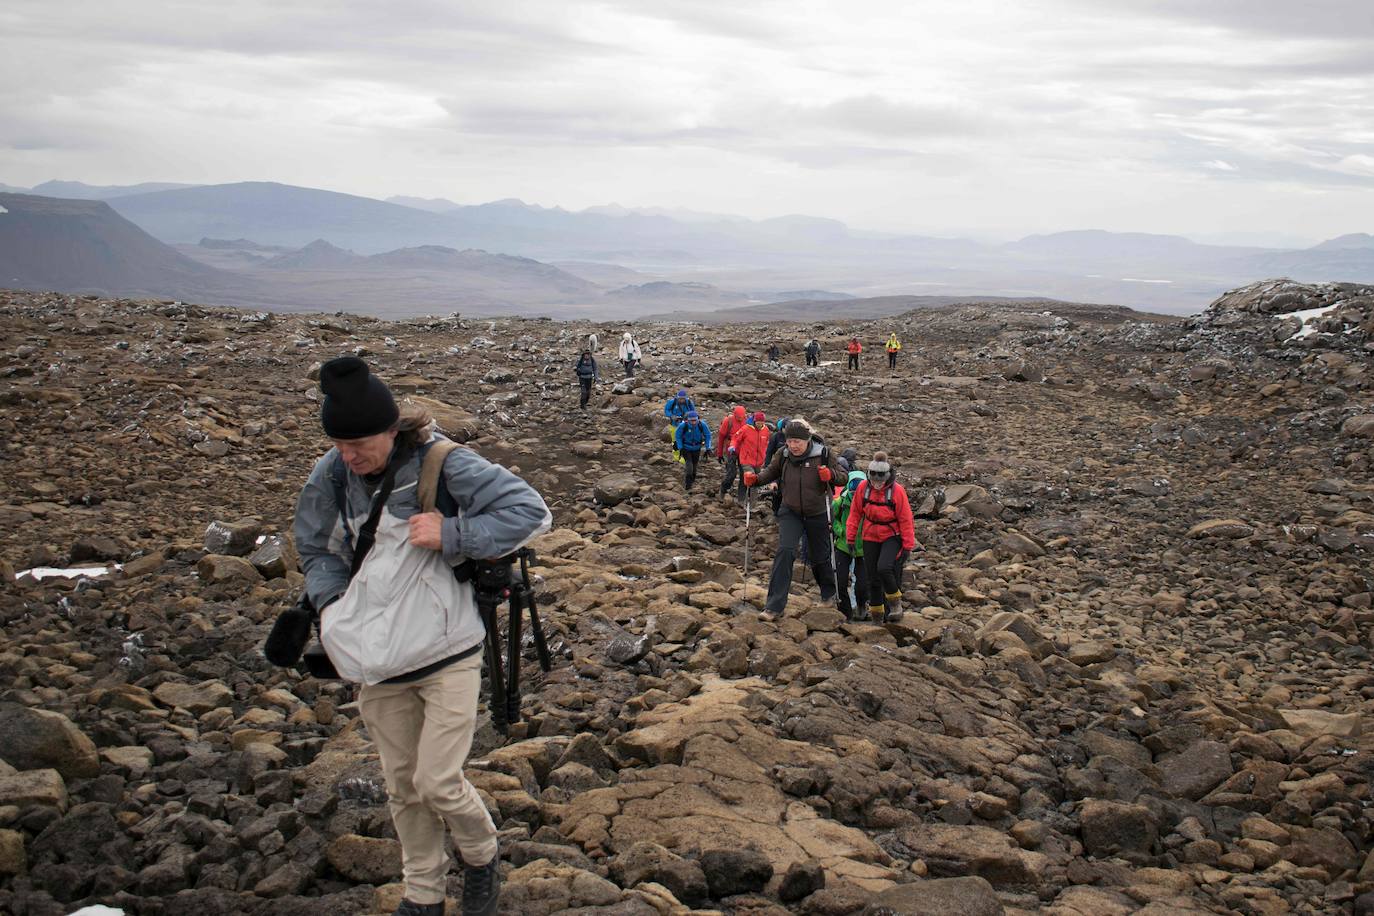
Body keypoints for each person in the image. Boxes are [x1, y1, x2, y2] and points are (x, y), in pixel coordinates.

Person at [295, 357, 552, 916]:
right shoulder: (333, 473)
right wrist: (334, 607)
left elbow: (531, 511)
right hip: (377, 660)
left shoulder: (443, 464)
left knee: (436, 781)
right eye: (338, 443)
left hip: (447, 651)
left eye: (358, 443)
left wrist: (454, 532)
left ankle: (482, 854)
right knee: (402, 787)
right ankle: (423, 895)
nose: (348, 455)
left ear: (392, 429)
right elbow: (315, 548)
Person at [744, 418, 842, 619]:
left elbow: (843, 476)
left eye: (798, 441)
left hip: (818, 512)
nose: (793, 445)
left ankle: (829, 594)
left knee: (820, 557)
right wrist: (755, 480)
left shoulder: (823, 453)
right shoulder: (784, 454)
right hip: (791, 511)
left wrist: (830, 475)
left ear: (807, 440)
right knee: (785, 551)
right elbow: (771, 472)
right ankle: (773, 607)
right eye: (790, 441)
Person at [845, 451, 916, 623]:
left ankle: (895, 602)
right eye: (874, 478)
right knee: (872, 579)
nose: (877, 483)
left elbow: (906, 519)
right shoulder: (863, 488)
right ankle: (877, 617)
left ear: (887, 476)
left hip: (891, 535)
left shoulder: (897, 491)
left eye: (880, 478)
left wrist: (907, 546)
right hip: (870, 535)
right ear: (869, 475)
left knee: (884, 567)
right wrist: (851, 538)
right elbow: (855, 514)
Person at [831, 469, 869, 620]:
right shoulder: (840, 503)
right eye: (853, 485)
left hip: (864, 548)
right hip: (843, 546)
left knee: (862, 585)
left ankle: (860, 605)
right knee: (840, 582)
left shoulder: (870, 503)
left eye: (860, 485)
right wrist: (843, 532)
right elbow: (833, 522)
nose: (856, 489)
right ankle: (846, 613)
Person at [729, 411, 769, 504]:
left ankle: (752, 504)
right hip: (746, 460)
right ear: (754, 421)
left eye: (762, 423)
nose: (760, 425)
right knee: (749, 478)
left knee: (756, 482)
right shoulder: (746, 429)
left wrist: (765, 455)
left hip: (758, 461)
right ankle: (742, 501)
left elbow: (766, 443)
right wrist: (732, 446)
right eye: (758, 423)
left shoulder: (766, 430)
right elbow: (735, 438)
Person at [674, 410, 712, 491]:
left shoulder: (702, 425)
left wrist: (708, 448)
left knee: (694, 465)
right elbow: (678, 436)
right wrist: (680, 447)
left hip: (697, 448)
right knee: (689, 465)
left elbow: (708, 435)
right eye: (692, 420)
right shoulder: (683, 426)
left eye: (695, 420)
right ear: (688, 420)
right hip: (686, 448)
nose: (694, 422)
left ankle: (692, 479)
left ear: (698, 419)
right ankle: (688, 484)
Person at [717, 405, 748, 496]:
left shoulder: (747, 421)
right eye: (738, 417)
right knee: (731, 473)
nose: (740, 419)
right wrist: (720, 454)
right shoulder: (728, 421)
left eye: (741, 417)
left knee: (744, 474)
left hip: (743, 450)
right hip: (731, 450)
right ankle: (724, 489)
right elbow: (721, 438)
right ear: (734, 415)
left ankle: (741, 497)